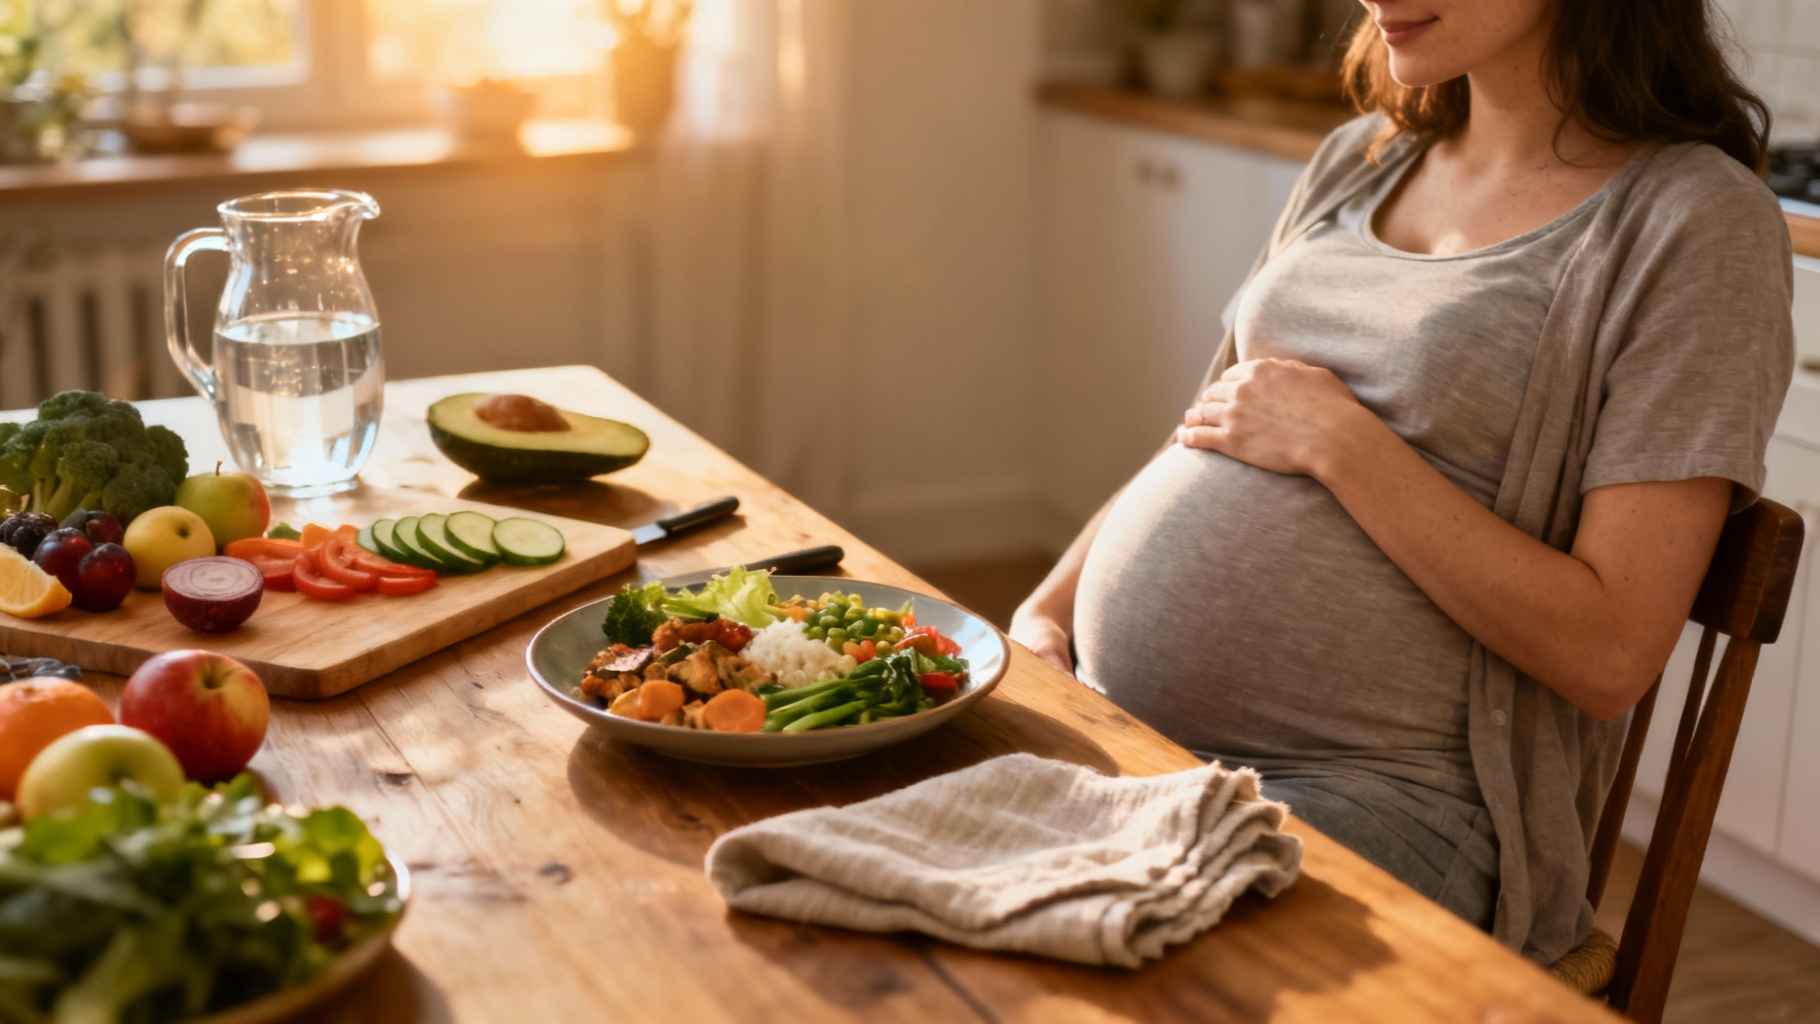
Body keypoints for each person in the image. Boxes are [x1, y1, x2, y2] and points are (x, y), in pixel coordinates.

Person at [1010, 0, 1796, 964]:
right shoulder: (1362, 156)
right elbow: (1209, 431)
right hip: (1129, 733)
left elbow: (1610, 652)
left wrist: (1345, 445)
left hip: (1384, 801)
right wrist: (1045, 614)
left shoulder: (1693, 221)